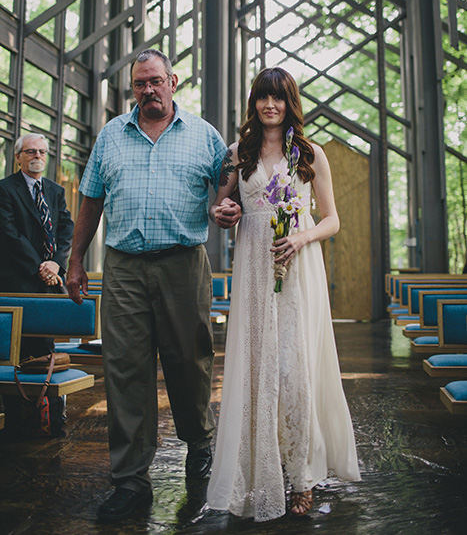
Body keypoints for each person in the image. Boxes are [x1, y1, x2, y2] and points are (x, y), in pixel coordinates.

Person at [66, 48, 241, 523]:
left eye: (155, 81)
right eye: (139, 84)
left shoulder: (205, 137)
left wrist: (228, 209)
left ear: (173, 81)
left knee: (190, 359)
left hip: (184, 264)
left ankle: (199, 448)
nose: (148, 91)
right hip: (122, 267)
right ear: (133, 90)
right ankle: (129, 480)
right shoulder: (110, 137)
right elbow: (90, 200)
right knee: (124, 369)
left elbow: (229, 193)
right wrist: (76, 259)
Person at [206, 67, 361, 521]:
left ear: (289, 101)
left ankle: (301, 476)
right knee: (259, 366)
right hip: (254, 268)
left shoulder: (310, 154)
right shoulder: (238, 153)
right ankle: (260, 470)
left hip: (297, 268)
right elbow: (221, 205)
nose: (269, 106)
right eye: (262, 98)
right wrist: (226, 211)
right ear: (254, 102)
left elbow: (331, 219)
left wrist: (301, 238)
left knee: (295, 368)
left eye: (278, 98)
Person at [0, 133, 74, 436]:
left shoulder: (55, 191)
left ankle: (52, 421)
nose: (38, 157)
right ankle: (17, 422)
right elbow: (9, 233)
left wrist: (55, 262)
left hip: (48, 284)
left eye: (43, 152)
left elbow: (66, 228)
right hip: (16, 281)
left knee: (45, 350)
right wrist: (39, 266)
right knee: (14, 352)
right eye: (31, 151)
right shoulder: (5, 189)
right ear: (18, 156)